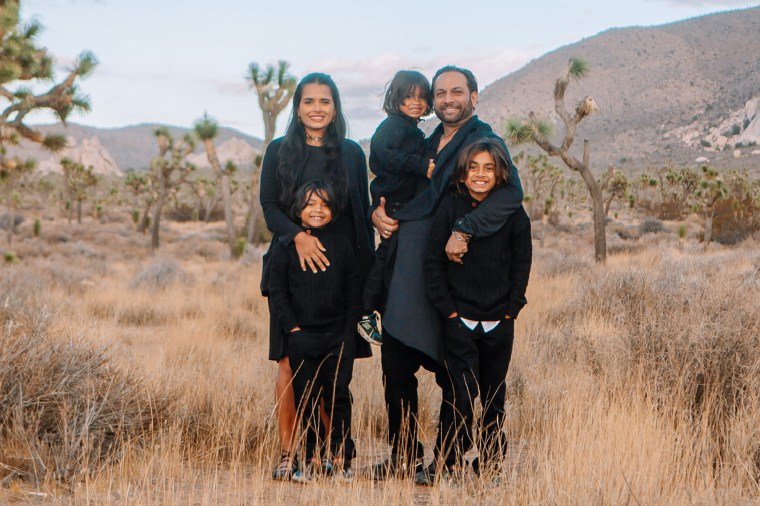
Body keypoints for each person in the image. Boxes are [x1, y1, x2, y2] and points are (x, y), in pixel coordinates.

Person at [369, 66, 524, 480]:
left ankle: (449, 457)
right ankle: (403, 454)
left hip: (454, 272)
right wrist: (377, 210)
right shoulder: (428, 141)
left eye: (458, 91)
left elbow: (512, 192)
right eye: (441, 93)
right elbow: (394, 183)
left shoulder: (483, 140)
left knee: (451, 367)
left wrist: (463, 229)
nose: (448, 98)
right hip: (408, 267)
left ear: (474, 96)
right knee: (396, 361)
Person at [259, 72, 374, 481]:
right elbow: (270, 207)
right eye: (309, 101)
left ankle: (329, 452)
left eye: (325, 101)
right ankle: (289, 452)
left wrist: (367, 281)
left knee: (334, 366)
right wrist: (298, 237)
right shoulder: (279, 151)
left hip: (339, 275)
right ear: (297, 107)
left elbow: (360, 214)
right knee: (290, 362)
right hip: (290, 268)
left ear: (336, 107)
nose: (317, 108)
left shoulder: (349, 154)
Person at [424, 137, 532, 482]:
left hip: (499, 322)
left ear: (500, 172)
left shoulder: (514, 214)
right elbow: (432, 263)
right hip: (460, 321)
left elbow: (521, 265)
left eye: (488, 167)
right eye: (473, 167)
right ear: (462, 173)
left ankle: (490, 465)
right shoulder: (450, 208)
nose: (481, 174)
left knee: (494, 398)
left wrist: (510, 311)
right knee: (459, 396)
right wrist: (450, 314)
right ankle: (451, 463)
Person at [268, 181, 360, 481]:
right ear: (298, 210)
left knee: (338, 396)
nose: (317, 210)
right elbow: (279, 293)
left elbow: (352, 291)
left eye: (323, 204)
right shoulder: (285, 248)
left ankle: (340, 457)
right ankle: (309, 458)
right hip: (302, 336)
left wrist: (348, 332)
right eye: (310, 205)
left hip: (338, 335)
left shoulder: (343, 245)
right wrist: (293, 330)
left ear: (333, 210)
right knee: (306, 396)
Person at [358, 70, 435, 345]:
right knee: (386, 257)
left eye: (422, 97)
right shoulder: (392, 127)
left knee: (393, 260)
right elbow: (381, 155)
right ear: (396, 98)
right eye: (408, 96)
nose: (416, 102)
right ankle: (365, 312)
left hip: (403, 203)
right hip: (394, 202)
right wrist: (420, 165)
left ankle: (384, 310)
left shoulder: (410, 129)